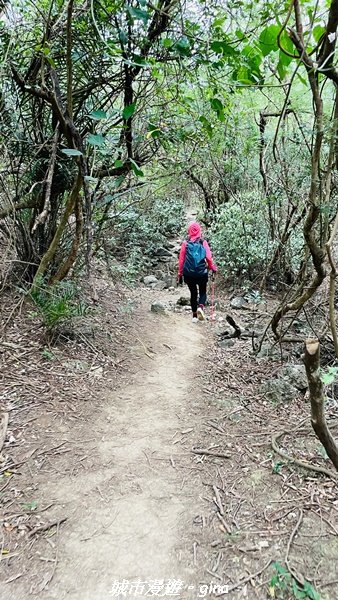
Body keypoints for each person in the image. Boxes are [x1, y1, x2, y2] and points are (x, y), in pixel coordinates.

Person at [177, 221, 217, 322]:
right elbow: (208, 257)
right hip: (201, 273)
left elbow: (181, 260)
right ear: (199, 230)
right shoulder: (203, 242)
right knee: (203, 291)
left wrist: (180, 273)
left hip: (188, 273)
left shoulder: (185, 243)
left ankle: (194, 316)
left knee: (193, 293)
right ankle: (201, 307)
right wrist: (213, 268)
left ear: (189, 230)